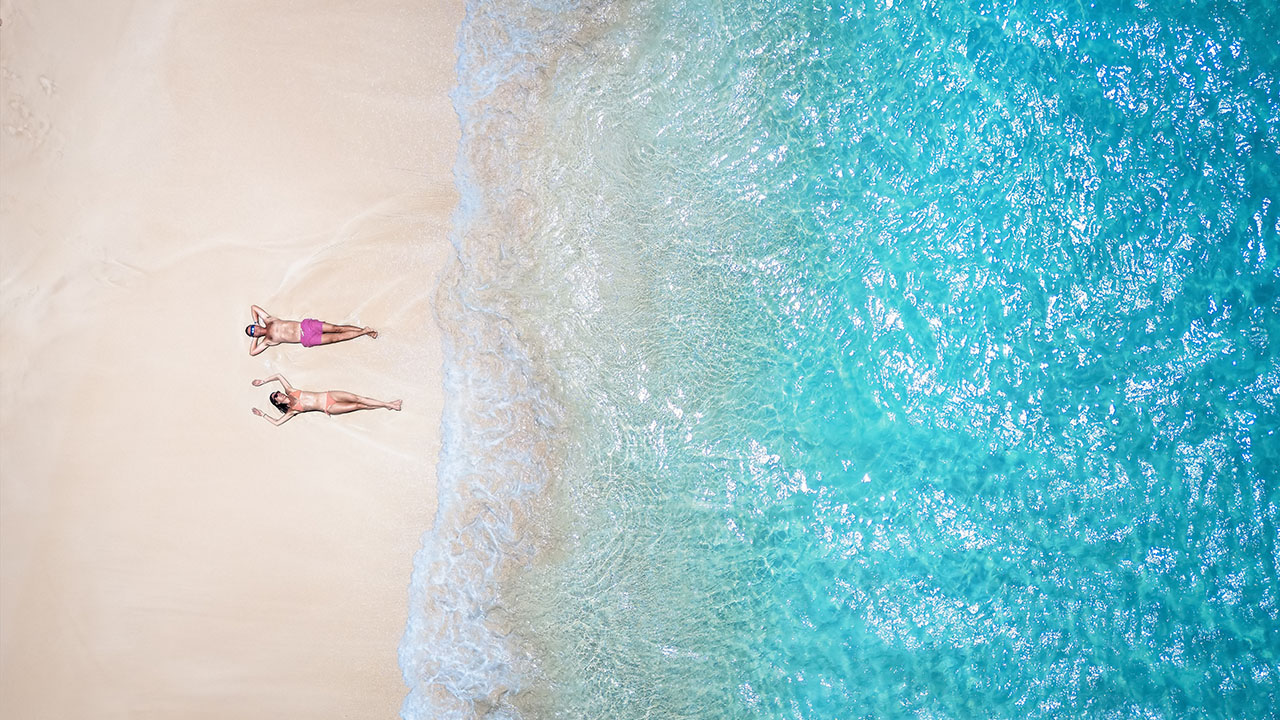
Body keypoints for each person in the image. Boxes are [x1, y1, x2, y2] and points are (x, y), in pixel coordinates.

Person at [251, 374, 401, 426]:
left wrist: (263, 381)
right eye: (276, 396)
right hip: (328, 408)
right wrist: (262, 414)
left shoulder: (290, 390)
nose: (279, 394)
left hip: (329, 395)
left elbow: (277, 375)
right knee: (358, 405)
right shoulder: (292, 411)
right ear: (277, 402)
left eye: (277, 392)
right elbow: (277, 423)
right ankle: (386, 406)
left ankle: (389, 404)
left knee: (358, 398)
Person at [246, 305, 377, 355]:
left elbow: (253, 307)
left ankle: (365, 331)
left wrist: (256, 321)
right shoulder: (267, 341)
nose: (254, 330)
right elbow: (252, 352)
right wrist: (254, 339)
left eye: (253, 328)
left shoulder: (269, 320)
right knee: (336, 338)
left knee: (336, 328)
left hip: (305, 326)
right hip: (306, 339)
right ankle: (363, 332)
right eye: (252, 332)